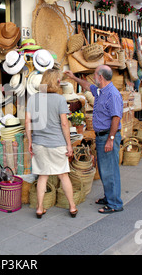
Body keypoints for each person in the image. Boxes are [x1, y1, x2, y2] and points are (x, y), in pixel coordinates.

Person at [64, 65, 124, 214]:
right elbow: (87, 86)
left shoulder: (112, 94)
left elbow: (116, 118)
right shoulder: (99, 91)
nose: (93, 77)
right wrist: (73, 77)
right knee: (104, 170)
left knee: (110, 170)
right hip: (101, 136)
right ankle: (109, 197)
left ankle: (115, 203)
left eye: (95, 75)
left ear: (101, 77)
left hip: (108, 136)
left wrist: (110, 139)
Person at [25, 69, 78, 218]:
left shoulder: (33, 99)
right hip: (57, 143)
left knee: (43, 176)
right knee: (63, 175)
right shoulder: (60, 99)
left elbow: (28, 122)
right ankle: (72, 207)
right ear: (57, 82)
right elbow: (64, 124)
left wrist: (30, 141)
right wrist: (69, 144)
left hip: (39, 143)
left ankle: (40, 208)